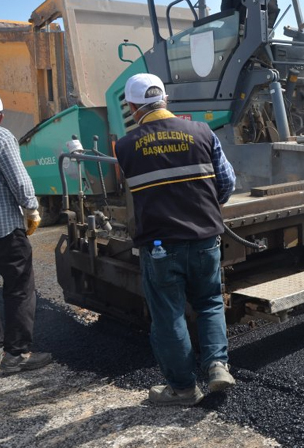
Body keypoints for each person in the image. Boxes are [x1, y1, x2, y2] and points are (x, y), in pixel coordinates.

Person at [115, 74, 237, 406]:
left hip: (159, 247)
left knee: (169, 315)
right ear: (165, 100)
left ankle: (183, 389)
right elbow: (227, 182)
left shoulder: (125, 146)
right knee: (210, 302)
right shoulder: (202, 132)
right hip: (205, 238)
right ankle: (216, 366)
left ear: (132, 106)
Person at [0, 90, 51, 374]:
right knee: (19, 290)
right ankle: (16, 355)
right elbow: (19, 180)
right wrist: (31, 208)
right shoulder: (0, 137)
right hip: (3, 231)